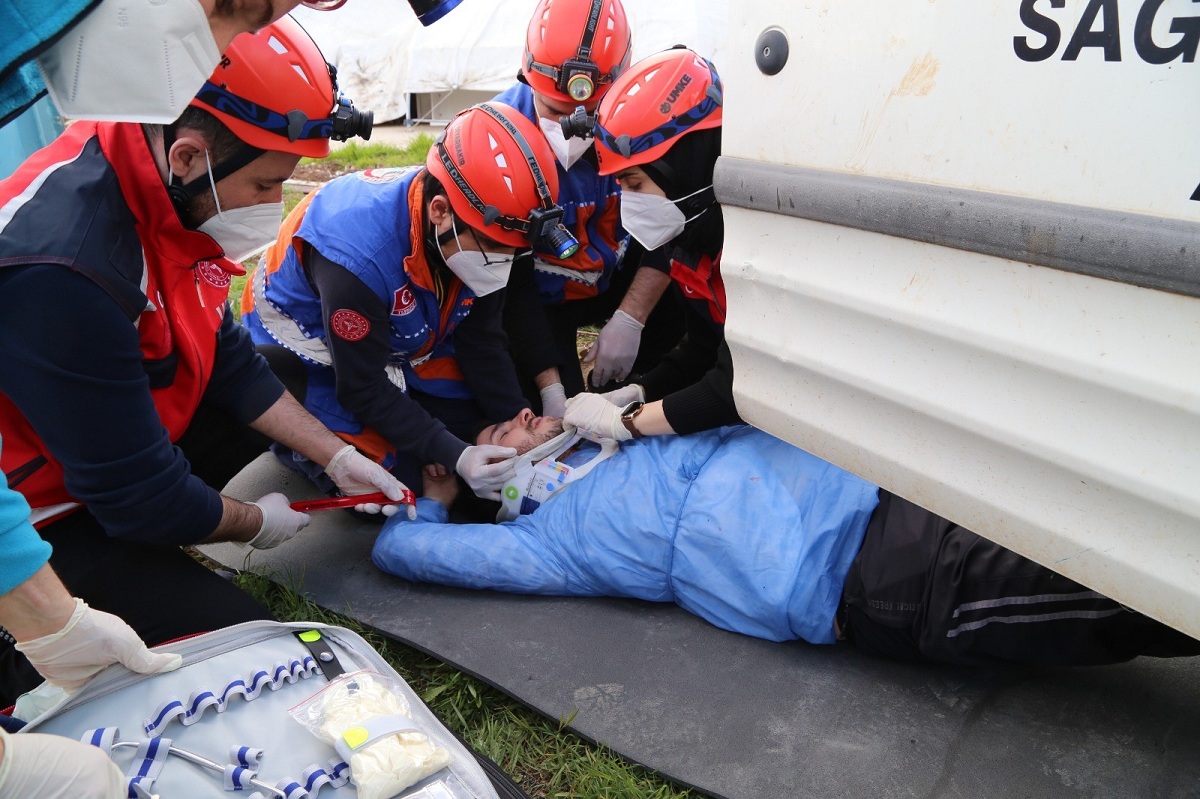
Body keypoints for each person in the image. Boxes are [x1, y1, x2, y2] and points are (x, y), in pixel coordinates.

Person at [0, 17, 406, 707]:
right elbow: (140, 497)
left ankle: (152, 561)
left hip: (100, 453)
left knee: (279, 371)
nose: (272, 207)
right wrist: (252, 521)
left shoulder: (157, 182)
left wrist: (335, 454)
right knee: (252, 648)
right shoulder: (68, 268)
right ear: (188, 158)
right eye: (264, 186)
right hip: (41, 516)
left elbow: (230, 357)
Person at [373, 411, 1200, 668]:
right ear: (496, 476)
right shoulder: (547, 543)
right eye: (504, 427)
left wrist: (616, 406)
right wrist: (436, 498)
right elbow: (405, 555)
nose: (524, 417)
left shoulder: (614, 429)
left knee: (1114, 520)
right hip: (867, 574)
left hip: (884, 479)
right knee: (1123, 586)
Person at [241, 102, 574, 500]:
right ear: (439, 211)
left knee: (485, 423)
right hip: (313, 345)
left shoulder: (478, 225)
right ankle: (302, 453)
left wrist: (517, 417)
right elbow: (361, 386)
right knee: (402, 483)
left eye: (514, 253)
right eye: (494, 249)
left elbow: (481, 339)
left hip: (407, 333)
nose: (502, 264)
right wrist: (457, 453)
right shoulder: (357, 260)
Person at [493, 0, 685, 414]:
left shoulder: (646, 114)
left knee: (679, 325)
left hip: (619, 276)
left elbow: (673, 227)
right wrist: (549, 384)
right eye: (554, 112)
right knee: (551, 414)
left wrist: (632, 317)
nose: (570, 132)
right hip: (539, 300)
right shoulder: (497, 139)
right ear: (527, 77)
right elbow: (509, 284)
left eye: (588, 116)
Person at [560, 47, 741, 444]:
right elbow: (702, 353)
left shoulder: (750, 251)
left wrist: (629, 422)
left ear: (685, 167)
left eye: (635, 184)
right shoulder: (688, 244)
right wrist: (641, 391)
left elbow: (741, 386)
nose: (629, 201)